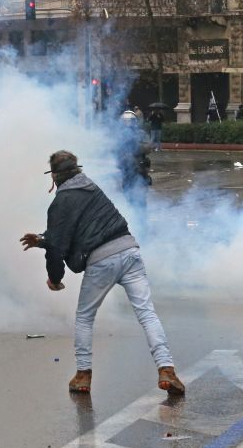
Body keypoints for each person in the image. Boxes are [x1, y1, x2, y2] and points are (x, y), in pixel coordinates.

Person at [20, 150, 185, 395]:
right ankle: (166, 369)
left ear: (54, 176)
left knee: (85, 317)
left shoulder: (61, 201)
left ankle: (83, 375)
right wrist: (44, 239)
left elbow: (59, 244)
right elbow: (74, 231)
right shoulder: (92, 188)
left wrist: (55, 279)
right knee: (147, 314)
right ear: (77, 170)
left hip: (102, 261)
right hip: (130, 251)